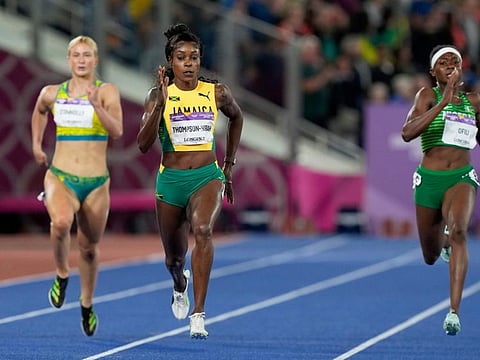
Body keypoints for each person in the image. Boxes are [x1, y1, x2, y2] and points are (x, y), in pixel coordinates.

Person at [137, 23, 243, 339]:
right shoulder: (158, 95)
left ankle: (199, 313)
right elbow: (143, 144)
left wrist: (228, 165)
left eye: (194, 57)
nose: (189, 64)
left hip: (206, 177)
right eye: (181, 58)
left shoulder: (216, 92)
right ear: (171, 63)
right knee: (173, 258)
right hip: (170, 182)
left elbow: (237, 116)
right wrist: (160, 103)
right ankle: (178, 283)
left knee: (204, 230)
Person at [31, 35, 123, 336]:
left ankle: (86, 304)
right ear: (69, 60)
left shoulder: (106, 91)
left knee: (88, 248)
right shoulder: (53, 93)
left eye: (87, 55)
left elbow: (118, 131)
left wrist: (97, 107)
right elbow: (40, 109)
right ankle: (61, 275)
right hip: (61, 176)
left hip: (96, 184)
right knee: (60, 223)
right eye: (76, 55)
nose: (81, 60)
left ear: (95, 60)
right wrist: (36, 144)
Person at [402, 45, 480, 336]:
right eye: (443, 62)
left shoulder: (474, 103)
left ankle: (454, 312)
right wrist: (443, 102)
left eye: (455, 61)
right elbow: (407, 133)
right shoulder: (426, 96)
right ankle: (443, 242)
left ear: (462, 69)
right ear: (433, 72)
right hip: (429, 180)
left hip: (461, 178)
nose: (450, 65)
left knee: (460, 230)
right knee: (430, 254)